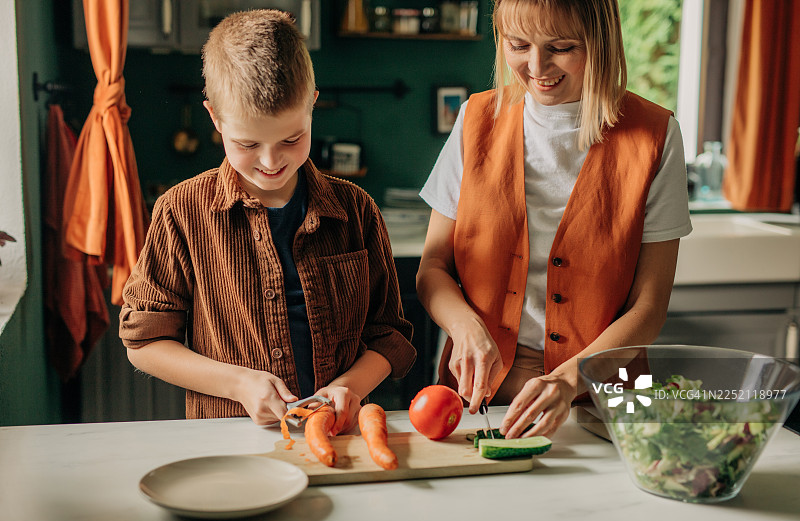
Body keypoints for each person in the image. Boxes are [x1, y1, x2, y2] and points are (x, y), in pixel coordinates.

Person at [120, 10, 415, 434]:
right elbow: (144, 342)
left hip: (340, 438)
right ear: (215, 119)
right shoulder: (179, 212)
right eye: (247, 143)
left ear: (312, 104)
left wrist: (350, 386)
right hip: (228, 442)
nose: (271, 161)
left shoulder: (357, 210)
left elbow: (390, 335)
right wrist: (239, 383)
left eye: (292, 139)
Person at [416, 0, 691, 438]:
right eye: (518, 44)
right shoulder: (474, 119)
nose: (536, 66)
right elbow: (432, 269)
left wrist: (567, 380)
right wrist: (465, 326)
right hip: (478, 395)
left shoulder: (657, 136)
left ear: (601, 41)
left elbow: (648, 308)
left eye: (561, 47)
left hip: (607, 398)